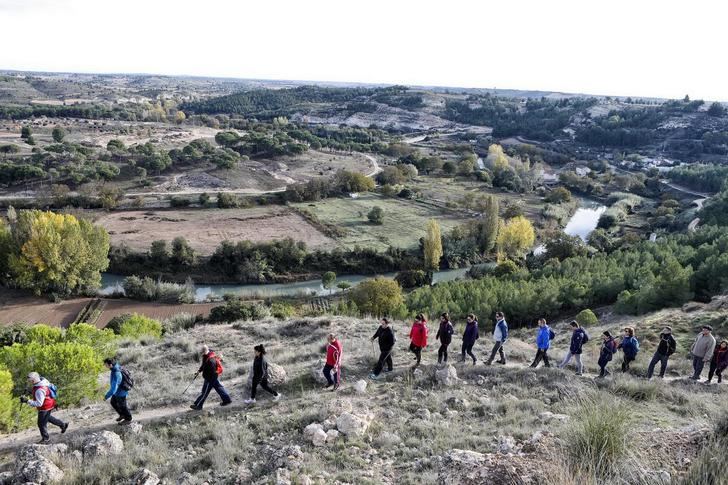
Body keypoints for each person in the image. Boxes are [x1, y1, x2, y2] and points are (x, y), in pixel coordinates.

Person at [21, 372, 68, 444]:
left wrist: (27, 401)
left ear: (33, 380)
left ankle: (46, 439)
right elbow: (43, 393)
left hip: (44, 407)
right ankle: (63, 425)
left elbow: (39, 404)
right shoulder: (43, 381)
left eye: (30, 381)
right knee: (48, 418)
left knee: (41, 424)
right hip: (50, 403)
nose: (29, 382)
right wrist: (30, 392)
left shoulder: (39, 390)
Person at [191, 345, 232, 410]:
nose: (201, 353)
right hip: (211, 377)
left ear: (205, 350)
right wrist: (199, 371)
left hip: (210, 378)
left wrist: (209, 380)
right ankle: (227, 400)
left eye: (202, 351)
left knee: (205, 392)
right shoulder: (206, 356)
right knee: (219, 388)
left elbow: (213, 372)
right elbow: (203, 365)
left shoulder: (211, 360)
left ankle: (198, 406)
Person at [103, 358, 132, 424]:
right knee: (113, 402)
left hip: (121, 392)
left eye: (106, 365)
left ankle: (128, 419)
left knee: (123, 406)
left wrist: (106, 396)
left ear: (110, 365)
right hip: (117, 392)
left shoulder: (116, 373)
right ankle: (122, 415)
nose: (105, 366)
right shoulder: (115, 367)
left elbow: (113, 389)